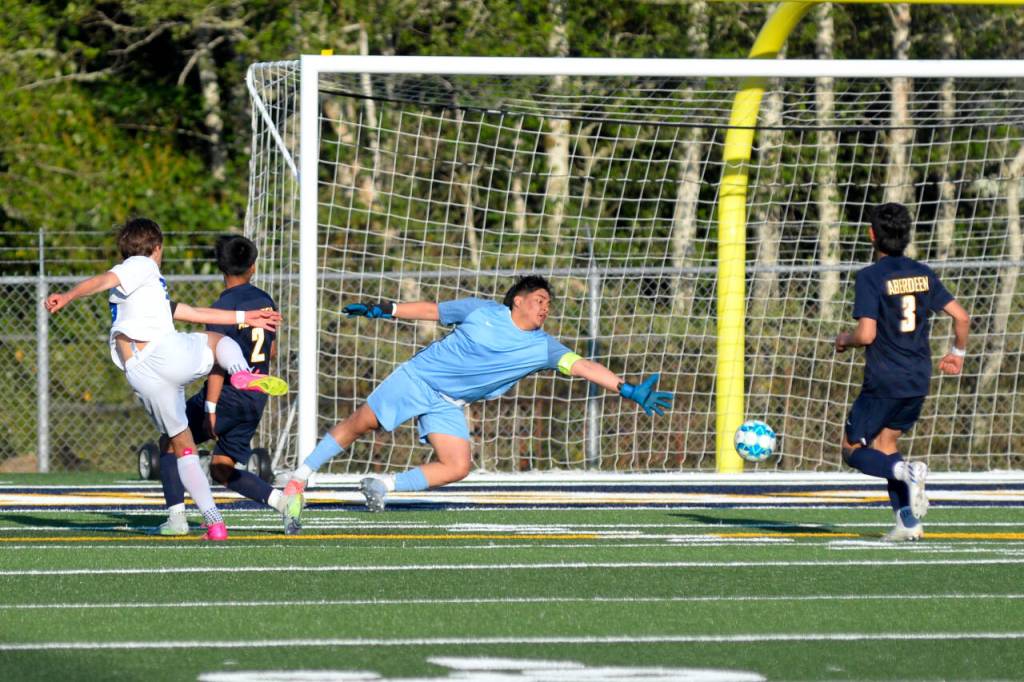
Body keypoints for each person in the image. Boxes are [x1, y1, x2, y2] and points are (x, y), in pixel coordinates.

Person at [278, 275, 672, 532]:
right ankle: (299, 477)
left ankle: (382, 484)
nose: (545, 307)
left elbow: (583, 365)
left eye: (548, 303)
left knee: (459, 466)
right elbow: (433, 310)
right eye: (538, 300)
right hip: (418, 379)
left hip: (448, 402)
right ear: (517, 301)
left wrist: (626, 388)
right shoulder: (482, 311)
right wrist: (388, 309)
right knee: (359, 424)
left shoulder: (544, 348)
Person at [44, 218, 288, 541]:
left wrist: (245, 317)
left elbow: (192, 312)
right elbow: (106, 278)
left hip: (141, 374)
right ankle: (241, 373)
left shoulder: (145, 291)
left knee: (181, 447)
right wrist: (69, 295)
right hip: (163, 354)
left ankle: (210, 522)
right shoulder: (142, 266)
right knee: (218, 343)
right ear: (156, 248)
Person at [835, 203, 970, 542]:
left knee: (851, 449)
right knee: (885, 444)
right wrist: (957, 353)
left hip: (884, 379)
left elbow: (866, 334)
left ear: (871, 234)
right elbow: (962, 317)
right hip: (918, 377)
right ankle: (908, 522)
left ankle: (905, 472)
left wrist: (844, 340)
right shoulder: (923, 273)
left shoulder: (870, 277)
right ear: (908, 236)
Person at [154, 234, 299, 535]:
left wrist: (210, 407)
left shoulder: (223, 308)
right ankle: (283, 501)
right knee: (221, 467)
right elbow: (271, 350)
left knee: (170, 442)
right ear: (253, 267)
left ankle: (176, 518)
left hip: (228, 395)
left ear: (221, 268)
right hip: (256, 397)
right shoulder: (264, 301)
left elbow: (219, 362)